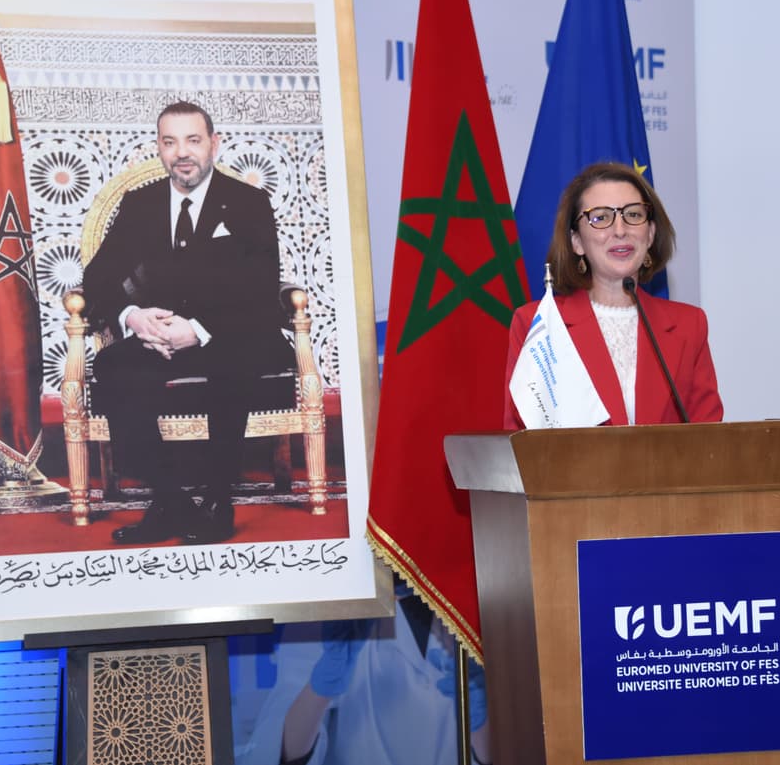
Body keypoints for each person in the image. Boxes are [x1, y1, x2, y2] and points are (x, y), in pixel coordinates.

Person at [82, 100, 290, 545]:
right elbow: (97, 276)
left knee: (230, 362)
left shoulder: (249, 202)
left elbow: (260, 286)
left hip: (235, 330)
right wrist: (134, 318)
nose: (182, 152)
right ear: (158, 148)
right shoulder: (140, 204)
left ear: (214, 144)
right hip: (160, 334)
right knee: (115, 367)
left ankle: (218, 502)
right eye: (170, 141)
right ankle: (169, 501)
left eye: (193, 140)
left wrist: (197, 329)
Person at [505, 161, 723, 427]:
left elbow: (709, 441)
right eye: (600, 217)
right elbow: (521, 442)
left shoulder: (689, 326)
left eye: (633, 215)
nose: (620, 230)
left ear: (651, 233)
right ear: (576, 241)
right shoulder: (541, 325)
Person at [235, 583, 491, 765]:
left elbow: (511, 750)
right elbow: (281, 752)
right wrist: (318, 690)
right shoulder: (324, 598)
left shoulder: (489, 585)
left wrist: (484, 718)